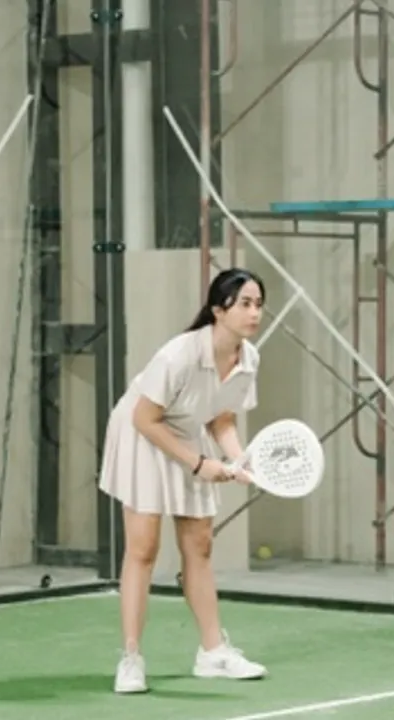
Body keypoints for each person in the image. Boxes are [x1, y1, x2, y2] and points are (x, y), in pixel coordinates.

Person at [99, 267, 269, 694]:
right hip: (141, 433)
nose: (254, 313)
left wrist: (238, 459)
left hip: (186, 431)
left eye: (258, 304)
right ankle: (131, 658)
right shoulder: (178, 355)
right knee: (143, 548)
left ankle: (213, 653)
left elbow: (221, 417)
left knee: (200, 544)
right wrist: (199, 465)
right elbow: (144, 418)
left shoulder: (248, 359)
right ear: (218, 310)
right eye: (244, 304)